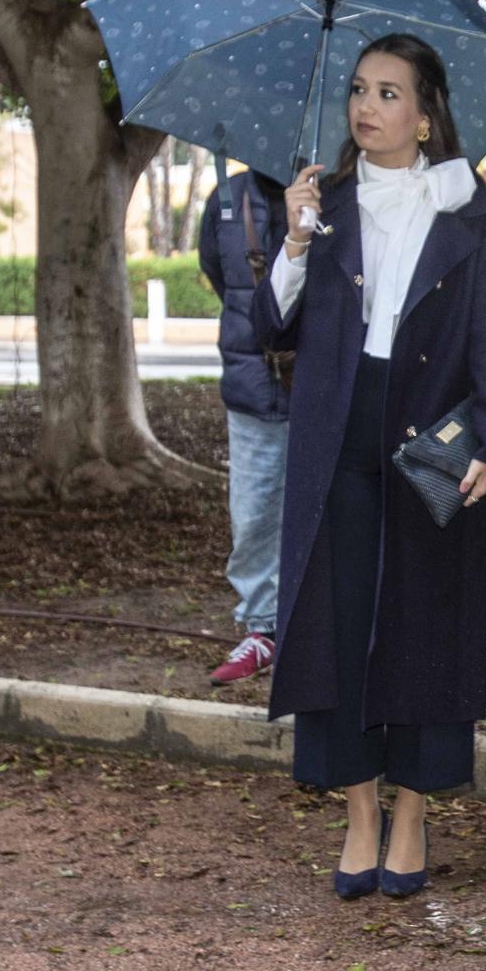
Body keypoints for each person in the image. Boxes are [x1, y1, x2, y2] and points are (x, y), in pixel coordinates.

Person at [256, 33, 486, 902]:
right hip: (336, 434)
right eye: (360, 91)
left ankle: (412, 813)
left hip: (433, 438)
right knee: (338, 625)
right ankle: (360, 812)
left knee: (425, 623)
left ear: (425, 111)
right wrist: (295, 247)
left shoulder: (472, 211)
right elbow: (272, 327)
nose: (367, 108)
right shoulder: (321, 205)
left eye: (388, 93)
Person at [197, 166, 291, 685]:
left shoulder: (342, 194)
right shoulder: (227, 199)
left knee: (331, 514)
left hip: (325, 389)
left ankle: (322, 631)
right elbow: (218, 274)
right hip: (252, 387)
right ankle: (262, 629)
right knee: (253, 515)